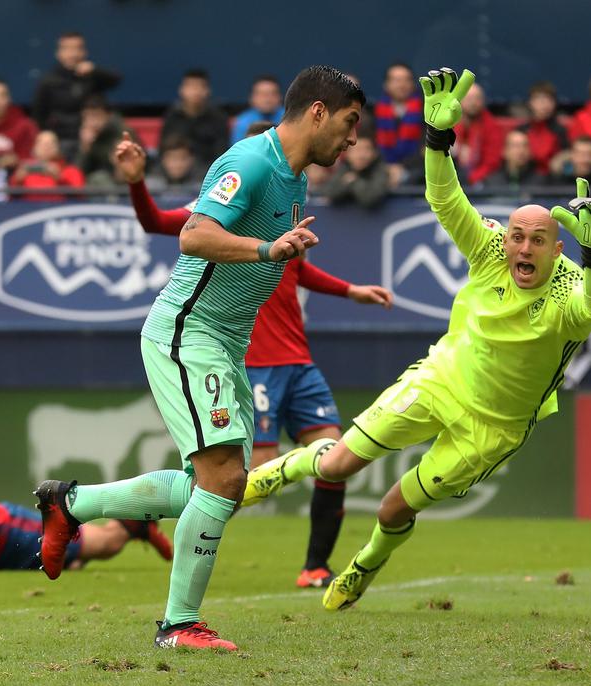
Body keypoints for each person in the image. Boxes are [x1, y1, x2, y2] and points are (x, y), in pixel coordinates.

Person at [241, 67, 591, 612]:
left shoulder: (572, 284)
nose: (523, 249)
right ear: (505, 238)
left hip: (494, 427)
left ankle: (366, 562)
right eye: (517, 236)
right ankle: (283, 469)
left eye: (538, 240)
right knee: (340, 463)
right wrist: (438, 141)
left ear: (558, 249)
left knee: (394, 509)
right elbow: (445, 200)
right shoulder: (490, 250)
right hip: (441, 380)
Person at [36, 65, 366, 652]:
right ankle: (179, 624)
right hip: (189, 333)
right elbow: (193, 234)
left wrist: (286, 251)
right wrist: (268, 245)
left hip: (227, 344)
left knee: (217, 487)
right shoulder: (252, 162)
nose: (353, 138)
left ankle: (71, 503)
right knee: (222, 479)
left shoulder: (294, 179)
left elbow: (263, 250)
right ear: (318, 111)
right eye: (349, 122)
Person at [111, 124, 392, 593]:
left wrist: (351, 291)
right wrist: (137, 182)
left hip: (297, 360)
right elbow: (166, 225)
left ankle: (315, 565)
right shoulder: (230, 201)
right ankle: (138, 515)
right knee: (236, 479)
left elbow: (298, 267)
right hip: (249, 356)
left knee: (337, 455)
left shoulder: (290, 199)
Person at [0, 501, 171, 571]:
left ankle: (134, 520)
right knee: (68, 559)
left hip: (1, 530)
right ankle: (73, 559)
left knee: (106, 544)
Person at [31, 31, 122, 154]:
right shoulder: (48, 82)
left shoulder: (92, 76)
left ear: (84, 52)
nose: (73, 54)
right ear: (59, 53)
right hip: (63, 138)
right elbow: (38, 116)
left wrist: (95, 70)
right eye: (67, 49)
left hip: (95, 135)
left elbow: (116, 80)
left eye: (77, 48)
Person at [160, 69, 230, 165]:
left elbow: (221, 154)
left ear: (208, 91)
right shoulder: (172, 116)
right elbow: (162, 151)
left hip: (208, 173)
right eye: (191, 86)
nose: (195, 91)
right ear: (181, 90)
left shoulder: (219, 118)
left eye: (200, 86)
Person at [373, 62, 423, 185]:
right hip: (381, 171)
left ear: (413, 84)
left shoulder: (427, 111)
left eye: (406, 80)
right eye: (396, 80)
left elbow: (427, 147)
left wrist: (402, 167)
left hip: (417, 174)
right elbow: (368, 146)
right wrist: (388, 167)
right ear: (386, 85)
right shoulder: (373, 113)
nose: (402, 85)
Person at [9, 130, 84, 201]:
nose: (46, 147)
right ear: (33, 148)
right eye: (41, 143)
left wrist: (60, 178)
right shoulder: (23, 170)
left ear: (58, 148)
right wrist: (17, 182)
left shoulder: (71, 171)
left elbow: (79, 197)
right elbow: (9, 198)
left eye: (51, 143)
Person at [453, 81, 503, 185]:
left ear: (483, 101)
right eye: (469, 98)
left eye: (477, 98)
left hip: (480, 179)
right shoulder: (449, 122)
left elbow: (492, 162)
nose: (473, 103)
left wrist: (471, 178)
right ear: (460, 100)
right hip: (451, 175)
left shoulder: (491, 126)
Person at [0, 78, 38, 168]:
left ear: (9, 99)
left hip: (13, 176)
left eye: (1, 96)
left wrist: (17, 160)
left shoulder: (25, 126)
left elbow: (35, 158)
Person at [74, 95, 131, 184]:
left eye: (96, 115)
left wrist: (119, 164)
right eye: (87, 116)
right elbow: (77, 176)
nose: (92, 121)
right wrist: (85, 148)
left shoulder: (122, 132)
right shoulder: (83, 136)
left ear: (108, 116)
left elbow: (133, 172)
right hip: (94, 184)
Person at [321, 134, 389, 208]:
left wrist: (354, 182)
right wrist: (345, 185)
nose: (361, 155)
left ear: (374, 153)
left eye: (367, 149)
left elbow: (372, 198)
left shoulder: (379, 168)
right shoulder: (345, 167)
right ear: (348, 154)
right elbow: (329, 192)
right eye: (357, 150)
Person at [518, 81, 569, 176]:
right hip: (525, 179)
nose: (544, 104)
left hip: (552, 181)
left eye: (548, 99)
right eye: (539, 99)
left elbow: (567, 161)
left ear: (554, 104)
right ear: (530, 103)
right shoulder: (521, 131)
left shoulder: (560, 131)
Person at [480, 129, 546, 189]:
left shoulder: (541, 183)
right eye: (516, 146)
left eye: (525, 145)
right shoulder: (492, 182)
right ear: (504, 151)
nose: (521, 151)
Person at [230, 76, 285, 145]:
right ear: (252, 98)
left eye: (272, 94)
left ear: (280, 97)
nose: (268, 99)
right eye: (262, 94)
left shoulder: (290, 119)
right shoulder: (241, 123)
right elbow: (237, 151)